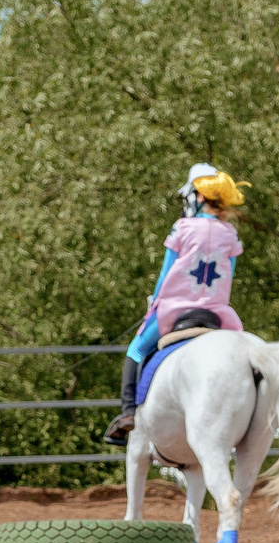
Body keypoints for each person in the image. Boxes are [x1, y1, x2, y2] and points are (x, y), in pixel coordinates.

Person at [104, 164, 246, 446]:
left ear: (198, 197)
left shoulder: (182, 228)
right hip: (218, 312)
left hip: (175, 309)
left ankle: (128, 414)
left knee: (136, 350)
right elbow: (229, 274)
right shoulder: (230, 234)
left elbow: (165, 274)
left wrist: (154, 305)